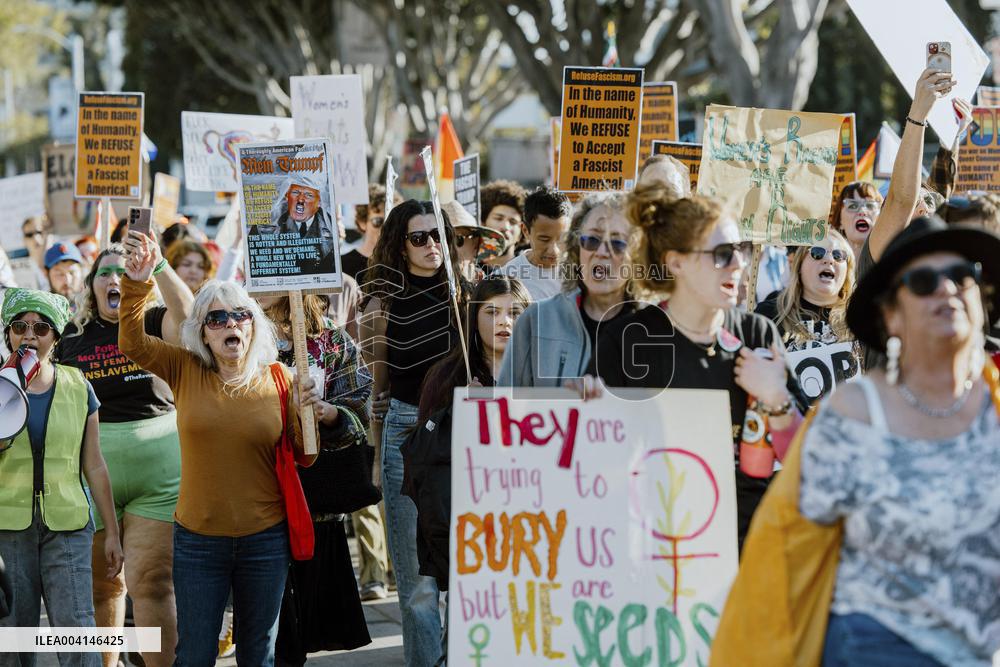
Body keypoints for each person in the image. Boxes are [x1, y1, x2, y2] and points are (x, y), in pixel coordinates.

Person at [718, 216, 1000, 666]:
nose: (946, 289)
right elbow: (791, 547)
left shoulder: (995, 404)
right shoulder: (854, 411)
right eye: (924, 281)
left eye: (961, 275)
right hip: (876, 646)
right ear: (891, 315)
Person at [118, 232, 316, 667]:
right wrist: (136, 283)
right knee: (194, 654)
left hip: (266, 539)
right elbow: (132, 344)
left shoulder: (280, 377)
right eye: (217, 318)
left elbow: (306, 454)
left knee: (258, 653)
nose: (230, 324)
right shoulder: (184, 368)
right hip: (198, 542)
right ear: (202, 335)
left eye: (239, 315)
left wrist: (310, 412)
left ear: (253, 325)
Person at [587, 183, 804, 547]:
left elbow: (804, 461)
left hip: (747, 544)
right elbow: (598, 459)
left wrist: (776, 397)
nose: (739, 264)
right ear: (676, 263)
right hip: (657, 543)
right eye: (722, 254)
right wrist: (587, 413)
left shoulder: (757, 333)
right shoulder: (628, 339)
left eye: (740, 250)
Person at [56, 241, 193, 667]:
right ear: (91, 285)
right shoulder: (71, 335)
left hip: (159, 473)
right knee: (102, 587)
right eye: (104, 272)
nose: (114, 278)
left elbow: (190, 319)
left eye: (124, 270)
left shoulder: (153, 319)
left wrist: (160, 265)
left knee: (153, 583)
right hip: (93, 474)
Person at [359, 200, 463, 667]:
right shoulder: (380, 305)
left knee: (467, 570)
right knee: (418, 582)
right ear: (400, 246)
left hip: (464, 430)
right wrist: (376, 454)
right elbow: (377, 387)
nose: (431, 245)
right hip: (405, 430)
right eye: (419, 237)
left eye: (438, 235)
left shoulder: (465, 295)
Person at [0, 289, 123, 667]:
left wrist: (112, 532)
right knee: (12, 635)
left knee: (77, 630)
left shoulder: (77, 384)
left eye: (41, 327)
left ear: (55, 336)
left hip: (68, 524)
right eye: (19, 326)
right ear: (8, 334)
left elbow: (95, 464)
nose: (29, 335)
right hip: (8, 526)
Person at [261, 295, 373, 664]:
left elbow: (360, 406)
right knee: (268, 627)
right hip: (259, 495)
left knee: (306, 620)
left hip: (317, 499)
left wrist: (330, 414)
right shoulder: (239, 331)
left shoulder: (332, 340)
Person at [498, 192, 639, 387]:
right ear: (576, 247)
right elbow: (506, 401)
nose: (602, 252)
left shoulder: (659, 326)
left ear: (639, 253)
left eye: (617, 243)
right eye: (592, 240)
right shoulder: (534, 320)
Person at [857, 68, 957, 279]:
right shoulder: (885, 252)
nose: (923, 207)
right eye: (916, 202)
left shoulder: (947, 264)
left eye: (928, 201)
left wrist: (952, 135)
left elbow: (941, 191)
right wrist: (918, 113)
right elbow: (902, 200)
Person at [755, 230, 858, 402]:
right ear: (799, 266)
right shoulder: (769, 315)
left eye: (838, 255)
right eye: (817, 252)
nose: (829, 259)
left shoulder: (862, 320)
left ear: (847, 270)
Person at [503, 186, 572, 301]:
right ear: (525, 231)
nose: (554, 250)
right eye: (544, 239)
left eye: (562, 239)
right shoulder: (506, 277)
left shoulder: (583, 274)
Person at [342, 184, 403, 282]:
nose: (385, 228)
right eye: (378, 221)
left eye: (391, 222)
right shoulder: (342, 265)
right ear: (362, 222)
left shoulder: (404, 265)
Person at [441, 201, 506, 283]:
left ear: (475, 244)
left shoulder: (487, 284)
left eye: (458, 239)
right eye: (438, 239)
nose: (448, 247)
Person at [829, 181, 883, 261]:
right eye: (853, 206)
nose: (862, 211)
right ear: (840, 221)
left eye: (870, 205)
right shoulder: (827, 263)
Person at [479, 180, 526, 268]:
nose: (505, 227)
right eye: (498, 218)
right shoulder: (467, 269)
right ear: (483, 223)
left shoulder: (531, 270)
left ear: (522, 233)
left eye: (513, 222)